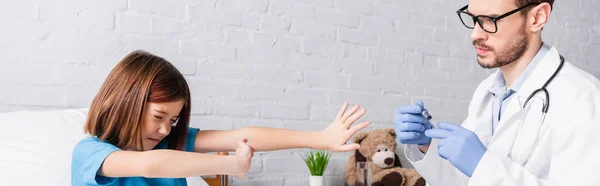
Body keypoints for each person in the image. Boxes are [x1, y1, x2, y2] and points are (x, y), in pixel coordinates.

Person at [71, 50, 370, 186]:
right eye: (159, 116)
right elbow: (149, 166)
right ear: (126, 102)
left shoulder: (168, 142)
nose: (164, 129)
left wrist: (319, 139)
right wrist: (231, 165)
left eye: (173, 120)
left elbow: (242, 136)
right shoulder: (91, 153)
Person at [393, 0, 600, 185]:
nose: (475, 34)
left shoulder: (584, 98)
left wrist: (482, 165)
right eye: (473, 19)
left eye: (491, 20)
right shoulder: (487, 90)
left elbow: (482, 171)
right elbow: (463, 180)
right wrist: (427, 145)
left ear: (537, 18)